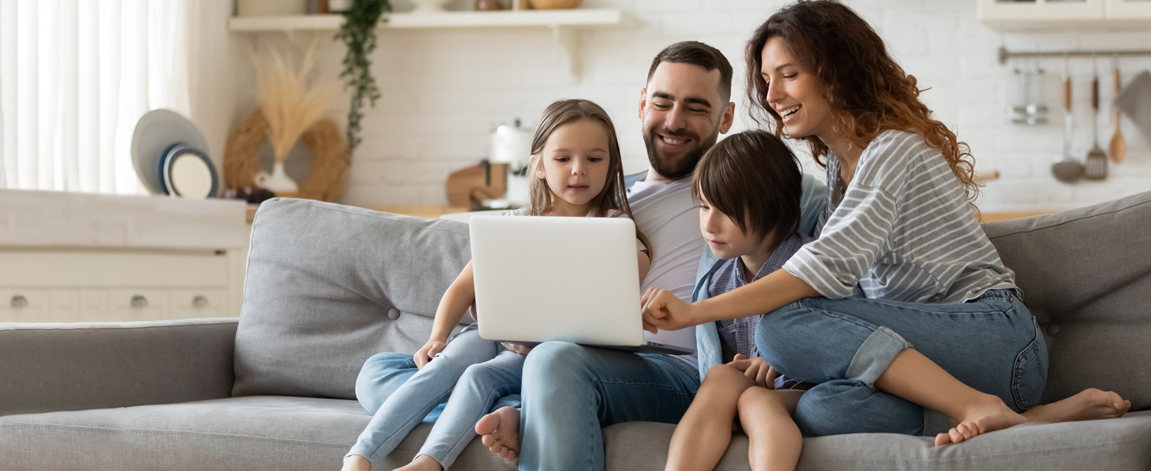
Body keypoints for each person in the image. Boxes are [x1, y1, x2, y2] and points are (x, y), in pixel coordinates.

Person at [640, 0, 1130, 449]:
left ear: (835, 72)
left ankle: (978, 405)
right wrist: (792, 356)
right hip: (933, 359)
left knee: (780, 324)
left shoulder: (893, 150)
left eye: (787, 74)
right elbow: (841, 298)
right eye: (767, 80)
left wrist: (691, 313)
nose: (772, 95)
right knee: (820, 408)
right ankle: (1028, 419)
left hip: (995, 341)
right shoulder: (837, 171)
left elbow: (819, 272)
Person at [472, 42, 829, 470]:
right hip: (593, 356)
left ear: (726, 117)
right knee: (520, 361)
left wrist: (788, 349)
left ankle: (526, 411)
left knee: (554, 362)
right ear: (643, 103)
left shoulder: (752, 187)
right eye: (663, 102)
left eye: (696, 107)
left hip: (683, 370)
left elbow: (827, 268)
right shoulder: (599, 195)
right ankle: (525, 411)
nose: (674, 121)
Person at [341, 98, 653, 471]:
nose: (578, 170)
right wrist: (437, 337)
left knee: (477, 376)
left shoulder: (615, 230)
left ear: (611, 165)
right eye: (563, 158)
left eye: (594, 159)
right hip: (494, 334)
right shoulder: (516, 223)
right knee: (429, 366)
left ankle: (432, 460)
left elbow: (623, 287)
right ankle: (358, 457)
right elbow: (462, 288)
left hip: (549, 355)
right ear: (537, 165)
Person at [665, 130, 834, 471]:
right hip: (754, 391)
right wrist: (743, 365)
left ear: (773, 209)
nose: (709, 224)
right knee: (721, 378)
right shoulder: (719, 282)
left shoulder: (817, 264)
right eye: (704, 207)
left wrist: (786, 354)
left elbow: (848, 335)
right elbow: (733, 362)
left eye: (725, 211)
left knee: (755, 400)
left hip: (815, 391)